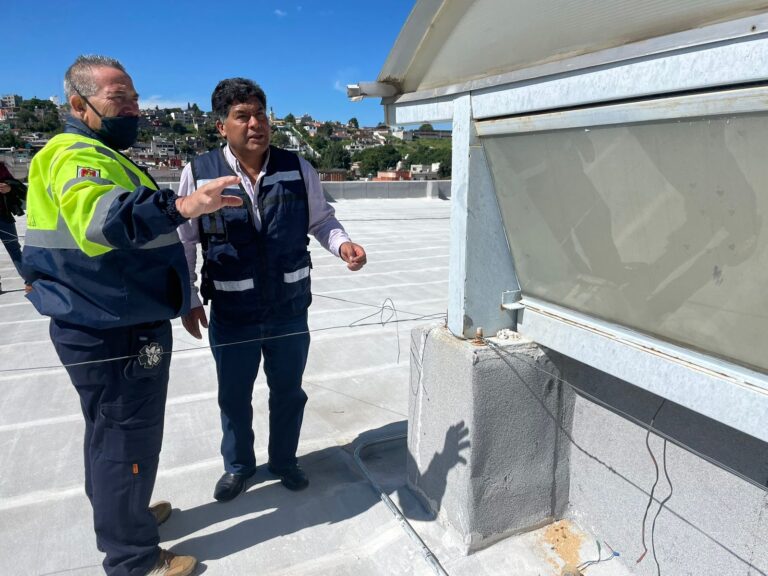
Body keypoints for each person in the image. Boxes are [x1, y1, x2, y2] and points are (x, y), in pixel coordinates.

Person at [22, 55, 242, 576]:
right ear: (79, 105)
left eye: (135, 98)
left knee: (108, 434)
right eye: (119, 100)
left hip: (101, 317)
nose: (135, 109)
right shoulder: (77, 155)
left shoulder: (89, 152)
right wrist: (182, 207)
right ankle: (134, 558)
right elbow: (105, 221)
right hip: (111, 326)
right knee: (126, 438)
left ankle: (124, 517)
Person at [177, 78, 367, 502]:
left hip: (288, 307)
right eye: (242, 116)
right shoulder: (200, 172)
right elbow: (186, 240)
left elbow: (322, 221)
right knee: (233, 396)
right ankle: (239, 467)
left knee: (288, 391)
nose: (255, 123)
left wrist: (343, 245)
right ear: (221, 126)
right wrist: (188, 297)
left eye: (260, 114)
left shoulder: (298, 167)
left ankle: (284, 460)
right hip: (231, 309)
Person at [0, 160, 26, 292]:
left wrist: (8, 188)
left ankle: (30, 281)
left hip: (3, 217)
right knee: (15, 249)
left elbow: (17, 186)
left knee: (15, 249)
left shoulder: (1, 167)